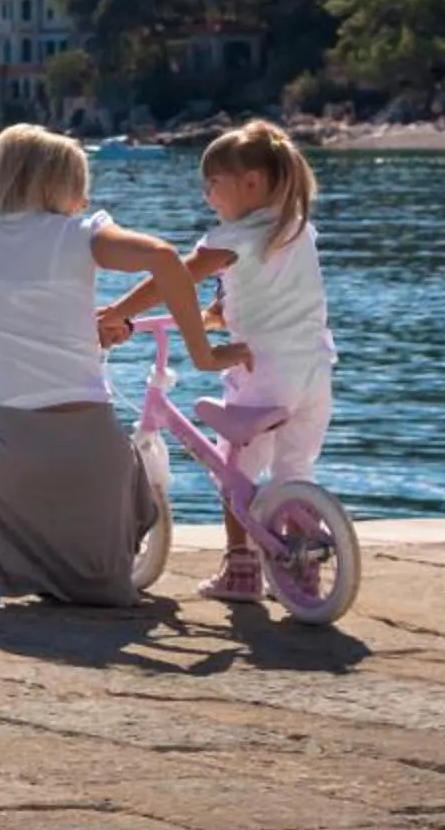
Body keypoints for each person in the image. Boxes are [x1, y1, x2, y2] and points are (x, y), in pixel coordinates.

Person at [0, 123, 245, 610]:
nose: (83, 202)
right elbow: (166, 259)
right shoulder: (80, 235)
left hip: (5, 455)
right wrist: (201, 353)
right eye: (77, 189)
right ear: (52, 186)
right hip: (99, 459)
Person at [99, 119, 334, 603]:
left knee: (236, 470)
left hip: (261, 370)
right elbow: (271, 296)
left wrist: (118, 312)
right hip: (313, 371)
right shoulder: (297, 230)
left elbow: (173, 278)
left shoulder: (236, 237)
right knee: (294, 469)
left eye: (213, 184)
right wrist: (218, 315)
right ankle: (303, 569)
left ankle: (241, 569)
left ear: (251, 183)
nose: (208, 196)